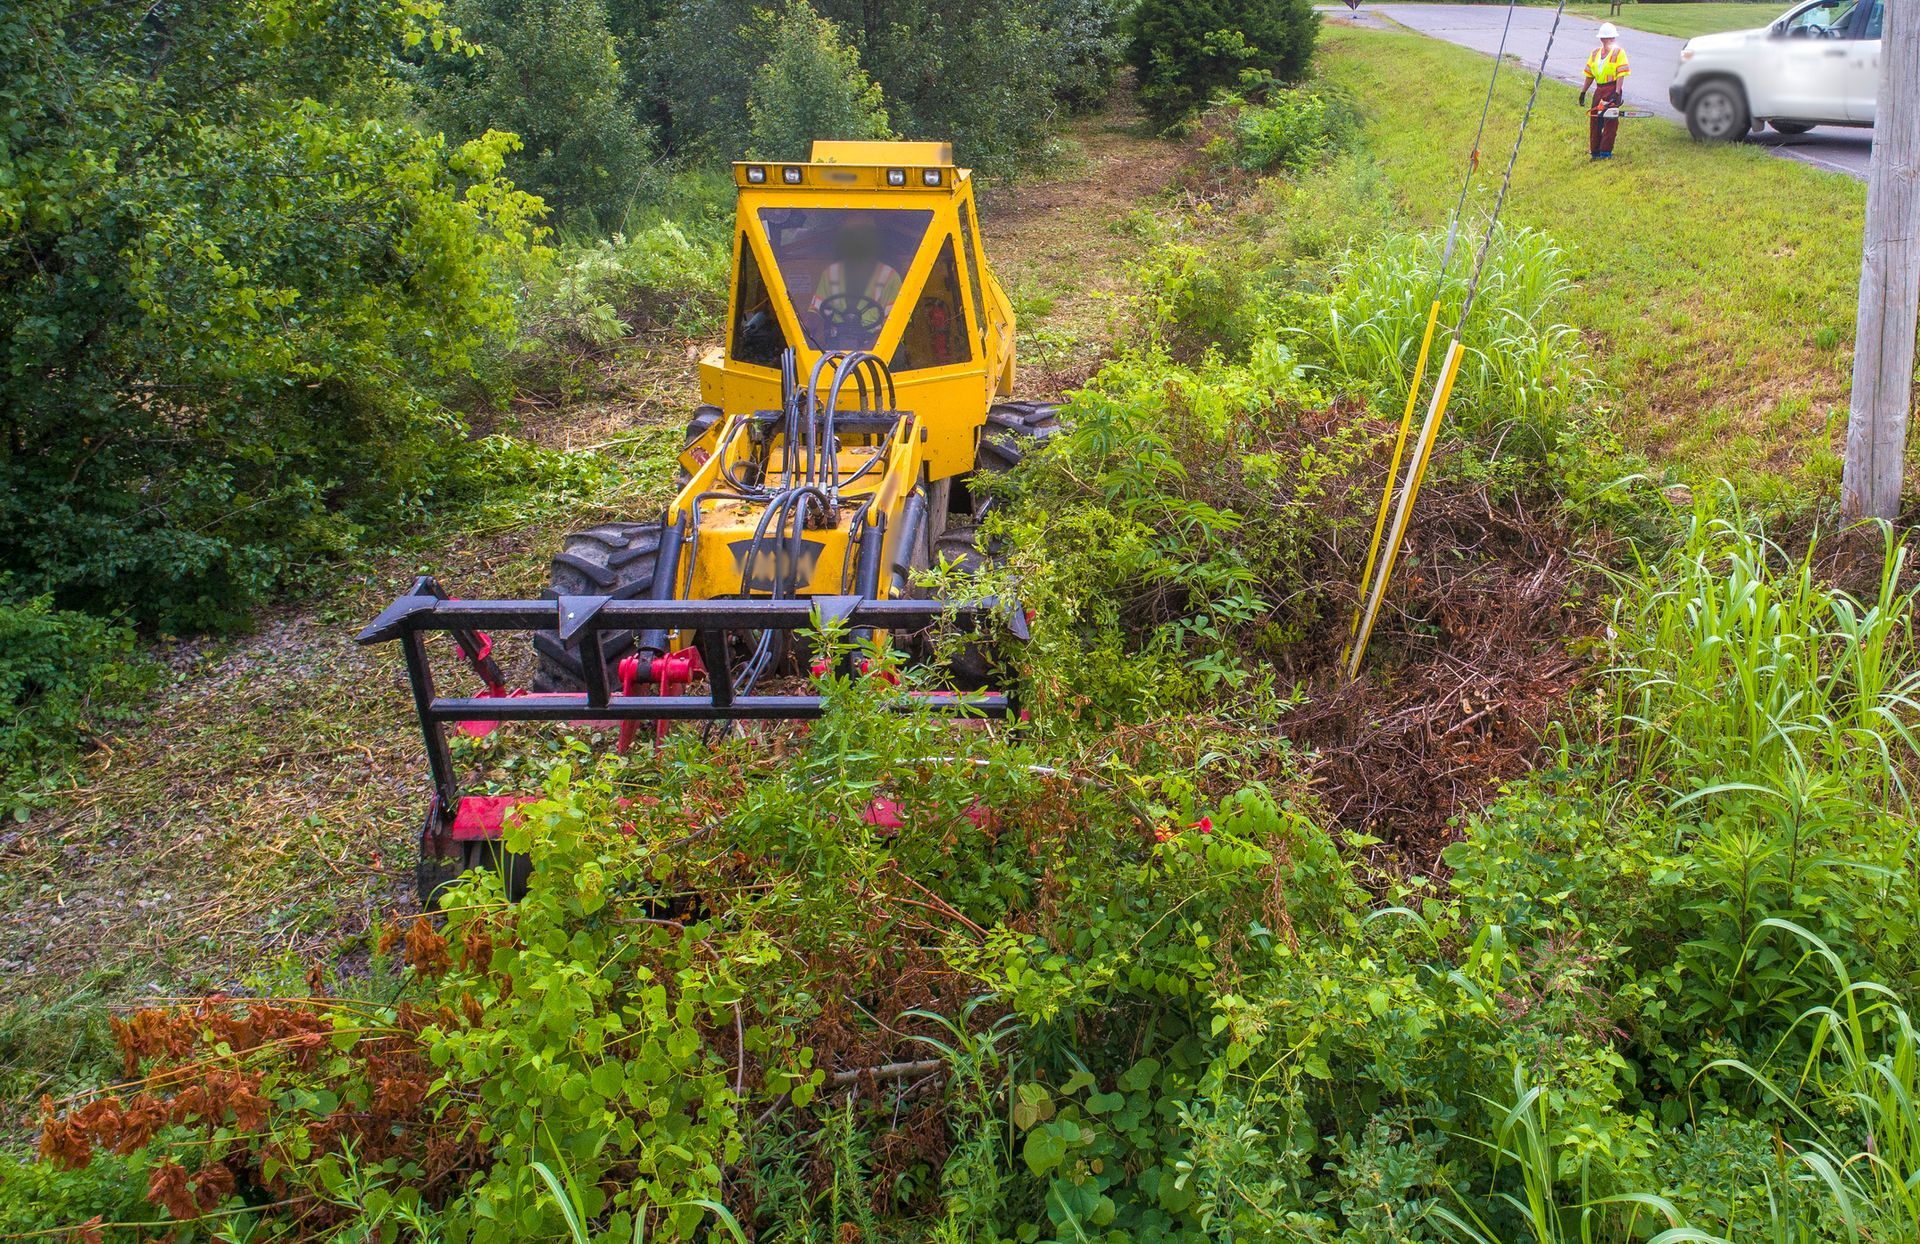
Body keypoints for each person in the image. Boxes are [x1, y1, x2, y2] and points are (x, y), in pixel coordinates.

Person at [808, 213, 904, 347]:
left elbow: (895, 325)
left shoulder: (890, 277)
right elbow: (815, 313)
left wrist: (870, 350)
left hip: (876, 347)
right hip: (835, 344)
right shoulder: (830, 273)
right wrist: (809, 338)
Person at [1579, 23, 1631, 160]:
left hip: (1612, 88)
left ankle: (1605, 152)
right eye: (1607, 38)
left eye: (1611, 38)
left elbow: (1621, 74)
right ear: (1602, 39)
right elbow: (1589, 74)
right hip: (1599, 89)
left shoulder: (1619, 52)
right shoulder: (1595, 53)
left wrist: (1617, 92)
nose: (1609, 40)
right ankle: (1595, 151)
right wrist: (1583, 92)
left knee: (1610, 120)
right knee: (1595, 119)